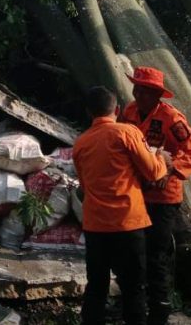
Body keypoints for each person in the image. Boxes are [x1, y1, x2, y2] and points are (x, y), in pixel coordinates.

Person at [119, 67, 191, 325]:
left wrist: (169, 168)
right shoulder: (130, 112)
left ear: (157, 94)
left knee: (157, 255)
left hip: (163, 198)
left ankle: (160, 312)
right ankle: (135, 308)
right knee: (134, 252)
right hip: (136, 193)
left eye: (145, 91)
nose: (138, 93)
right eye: (137, 88)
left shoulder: (171, 118)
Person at [73, 86, 167, 325]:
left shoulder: (81, 144)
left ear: (88, 112)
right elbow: (154, 172)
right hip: (128, 223)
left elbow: (84, 188)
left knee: (96, 287)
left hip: (95, 227)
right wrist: (162, 158)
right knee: (133, 288)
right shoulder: (127, 132)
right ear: (116, 109)